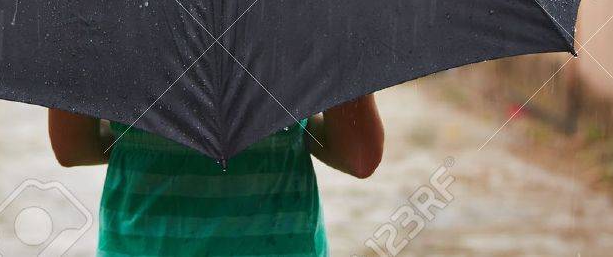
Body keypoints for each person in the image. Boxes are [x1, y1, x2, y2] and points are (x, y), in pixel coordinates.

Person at [48, 95, 384, 257]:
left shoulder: (105, 0)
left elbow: (72, 147)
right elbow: (358, 155)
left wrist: (144, 135)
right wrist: (287, 127)